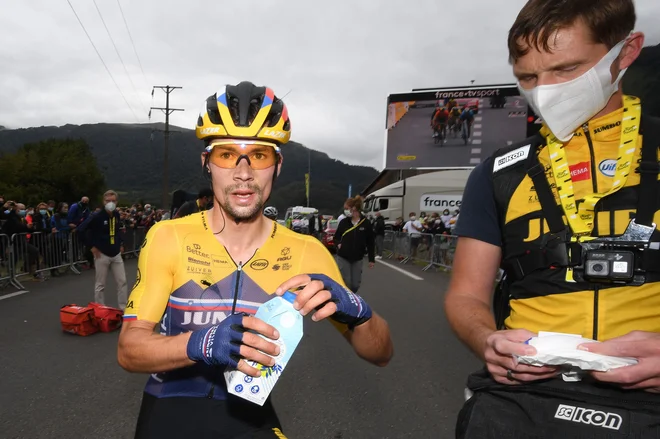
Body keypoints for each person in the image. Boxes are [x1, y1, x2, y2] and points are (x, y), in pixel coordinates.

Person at [117, 81, 393, 439]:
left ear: (277, 166)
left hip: (249, 414)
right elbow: (129, 349)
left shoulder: (306, 251)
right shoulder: (169, 236)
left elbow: (381, 353)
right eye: (227, 154)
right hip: (169, 410)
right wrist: (200, 343)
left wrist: (357, 311)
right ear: (207, 164)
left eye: (259, 156)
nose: (243, 172)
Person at [445, 0, 660, 437]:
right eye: (527, 77)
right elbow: (465, 296)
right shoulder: (495, 172)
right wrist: (488, 340)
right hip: (524, 399)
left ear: (627, 51)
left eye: (566, 70)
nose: (543, 91)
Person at [78, 190, 128, 310]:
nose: (110, 203)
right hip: (102, 254)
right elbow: (80, 230)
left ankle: (123, 308)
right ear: (103, 201)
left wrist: (120, 243)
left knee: (122, 281)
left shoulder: (116, 214)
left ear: (116, 202)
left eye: (113, 201)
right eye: (108, 201)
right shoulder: (96, 216)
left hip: (115, 253)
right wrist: (91, 246)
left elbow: (117, 230)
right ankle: (100, 308)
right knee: (100, 284)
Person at [333, 196, 376, 293]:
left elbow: (370, 242)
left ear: (354, 208)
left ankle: (351, 297)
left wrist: (371, 259)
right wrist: (338, 244)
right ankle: (348, 303)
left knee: (355, 285)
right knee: (346, 283)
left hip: (358, 258)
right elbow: (336, 237)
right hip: (343, 257)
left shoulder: (366, 223)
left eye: (347, 209)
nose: (345, 211)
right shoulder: (344, 222)